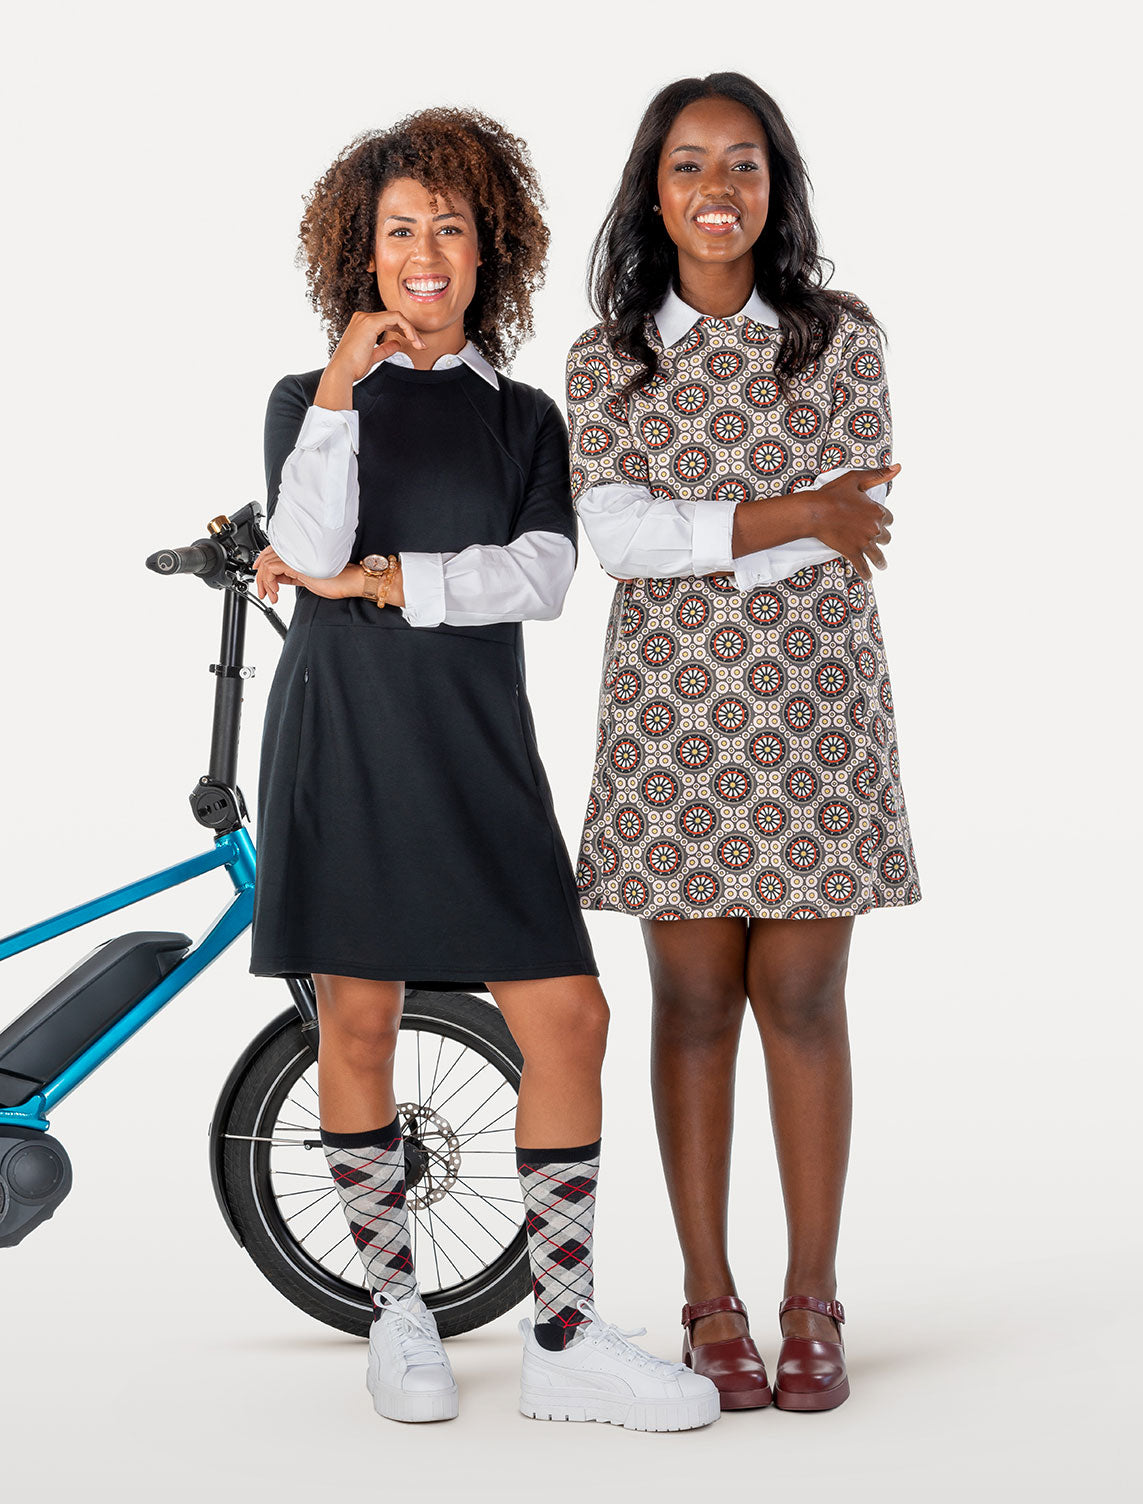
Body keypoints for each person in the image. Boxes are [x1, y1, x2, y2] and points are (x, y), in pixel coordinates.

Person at [248, 106, 718, 1433]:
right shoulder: (304, 402)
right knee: (357, 1019)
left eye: (448, 225)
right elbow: (303, 531)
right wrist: (343, 382)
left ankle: (563, 1332)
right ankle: (398, 1313)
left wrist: (384, 581)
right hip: (341, 734)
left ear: (486, 242)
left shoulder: (522, 418)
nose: (424, 250)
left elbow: (548, 577)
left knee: (567, 1016)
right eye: (400, 229)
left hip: (476, 742)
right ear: (362, 249)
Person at [566, 73, 921, 1412]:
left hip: (818, 716)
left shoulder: (839, 335)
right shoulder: (611, 356)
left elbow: (865, 516)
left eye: (744, 165)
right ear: (651, 193)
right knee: (693, 1006)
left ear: (775, 186)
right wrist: (791, 519)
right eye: (687, 166)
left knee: (807, 1002)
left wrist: (711, 528)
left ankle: (811, 1299)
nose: (717, 190)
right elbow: (617, 543)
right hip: (670, 725)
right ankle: (707, 1299)